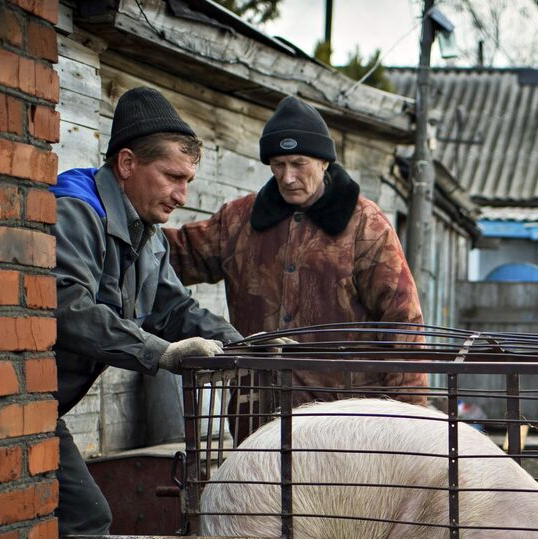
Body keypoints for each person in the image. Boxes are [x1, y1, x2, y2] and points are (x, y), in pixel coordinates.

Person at [50, 87, 243, 539]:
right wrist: (160, 354)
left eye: (188, 180)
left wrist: (244, 344)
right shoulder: (75, 210)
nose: (182, 196)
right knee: (87, 519)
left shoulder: (145, 235)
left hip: (44, 404)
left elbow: (173, 308)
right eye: (173, 177)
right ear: (127, 163)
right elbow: (66, 307)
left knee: (74, 521)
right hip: (14, 399)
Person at [163, 95, 428, 441]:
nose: (287, 177)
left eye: (298, 163)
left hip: (344, 422)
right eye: (278, 165)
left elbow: (403, 325)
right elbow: (174, 255)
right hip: (257, 416)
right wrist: (117, 223)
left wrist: (410, 428)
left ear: (322, 161)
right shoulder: (240, 221)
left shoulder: (365, 226)